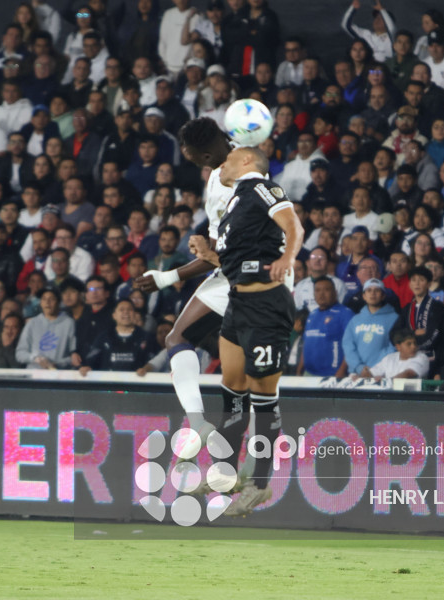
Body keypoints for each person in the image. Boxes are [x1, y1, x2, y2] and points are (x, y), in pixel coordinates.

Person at [191, 144, 302, 517]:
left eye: (227, 159)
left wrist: (288, 257)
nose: (220, 165)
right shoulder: (237, 201)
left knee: (263, 396)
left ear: (247, 161)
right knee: (232, 389)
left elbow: (292, 223)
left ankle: (259, 485)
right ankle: (225, 473)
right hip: (238, 302)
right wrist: (210, 256)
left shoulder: (260, 187)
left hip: (266, 306)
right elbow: (238, 259)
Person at [138, 118, 234, 445]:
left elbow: (227, 250)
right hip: (246, 271)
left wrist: (170, 275)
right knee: (179, 338)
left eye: (193, 160)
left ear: (206, 158)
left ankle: (203, 425)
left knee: (178, 337)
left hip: (249, 275)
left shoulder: (229, 182)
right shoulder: (243, 162)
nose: (194, 166)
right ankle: (203, 427)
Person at [79, 299, 152, 376]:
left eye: (129, 309)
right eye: (121, 309)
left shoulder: (146, 337)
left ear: (134, 314)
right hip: (108, 385)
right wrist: (85, 367)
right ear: (114, 315)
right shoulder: (103, 337)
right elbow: (91, 360)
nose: (126, 312)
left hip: (137, 385)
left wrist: (146, 369)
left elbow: (153, 362)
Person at [299, 276, 354, 377]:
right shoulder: (312, 314)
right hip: (308, 374)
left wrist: (341, 371)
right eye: (317, 290)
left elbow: (352, 346)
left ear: (335, 293)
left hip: (333, 375)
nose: (321, 294)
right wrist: (299, 371)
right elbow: (306, 344)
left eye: (327, 290)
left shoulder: (345, 314)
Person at [15, 286, 76, 370]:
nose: (47, 302)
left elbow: (74, 355)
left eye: (52, 299)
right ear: (40, 303)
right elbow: (20, 354)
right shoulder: (32, 323)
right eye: (44, 299)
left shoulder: (69, 323)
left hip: (58, 376)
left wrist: (57, 363)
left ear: (58, 302)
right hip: (34, 376)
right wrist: (36, 358)